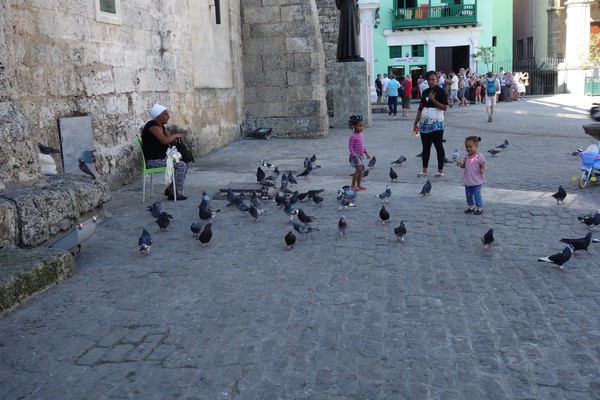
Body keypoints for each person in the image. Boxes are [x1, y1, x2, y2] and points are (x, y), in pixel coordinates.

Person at [141, 104, 188, 201]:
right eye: (166, 114)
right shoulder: (152, 125)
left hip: (162, 158)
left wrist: (177, 141)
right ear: (158, 116)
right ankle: (175, 192)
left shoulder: (160, 126)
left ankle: (171, 188)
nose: (168, 116)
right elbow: (164, 140)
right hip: (153, 161)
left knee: (186, 160)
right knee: (181, 165)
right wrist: (174, 136)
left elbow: (170, 141)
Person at [413, 70, 448, 178]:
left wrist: (433, 100)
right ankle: (424, 170)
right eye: (428, 80)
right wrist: (415, 122)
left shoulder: (441, 92)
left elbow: (445, 107)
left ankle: (440, 170)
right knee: (425, 147)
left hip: (437, 124)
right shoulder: (424, 92)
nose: (431, 81)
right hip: (424, 124)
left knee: (438, 146)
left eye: (433, 79)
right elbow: (420, 107)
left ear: (437, 79)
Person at [456, 136, 486, 215]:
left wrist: (482, 170)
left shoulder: (479, 157)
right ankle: (471, 206)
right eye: (466, 147)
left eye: (470, 147)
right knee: (468, 195)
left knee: (477, 194)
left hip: (477, 180)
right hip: (468, 180)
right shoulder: (466, 157)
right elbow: (464, 166)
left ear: (476, 146)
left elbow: (483, 164)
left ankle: (479, 208)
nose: (468, 149)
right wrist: (460, 165)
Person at [348, 115, 371, 191]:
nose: (362, 128)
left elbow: (362, 145)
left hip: (361, 155)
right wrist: (355, 156)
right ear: (354, 126)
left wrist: (366, 153)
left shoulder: (361, 134)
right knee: (358, 170)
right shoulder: (353, 136)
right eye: (359, 126)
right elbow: (350, 147)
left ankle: (359, 185)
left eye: (363, 126)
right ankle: (352, 186)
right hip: (356, 156)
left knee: (361, 170)